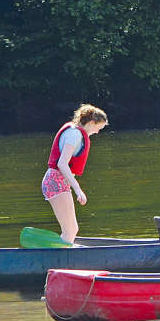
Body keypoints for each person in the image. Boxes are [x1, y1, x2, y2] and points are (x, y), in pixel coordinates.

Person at [42, 103, 109, 243]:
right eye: (98, 128)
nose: (97, 132)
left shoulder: (76, 132)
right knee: (71, 230)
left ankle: (63, 253)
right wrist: (78, 189)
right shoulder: (74, 134)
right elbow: (62, 164)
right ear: (92, 122)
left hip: (57, 182)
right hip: (55, 182)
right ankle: (61, 260)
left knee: (72, 229)